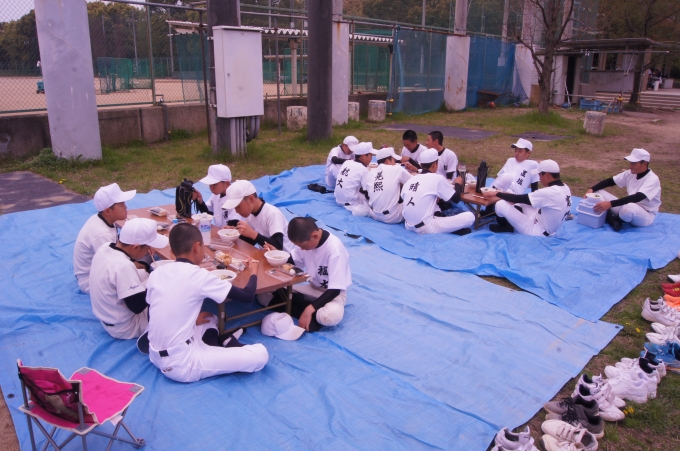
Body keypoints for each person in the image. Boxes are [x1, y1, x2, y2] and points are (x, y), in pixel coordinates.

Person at [145, 223, 268, 383]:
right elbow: (247, 296)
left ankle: (215, 347)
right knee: (260, 355)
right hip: (182, 363)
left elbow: (155, 311)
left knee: (210, 319)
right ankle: (225, 344)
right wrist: (253, 272)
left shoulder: (158, 272)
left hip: (155, 353)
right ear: (197, 247)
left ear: (172, 250)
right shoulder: (199, 276)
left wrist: (193, 319)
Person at [89, 218, 168, 340]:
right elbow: (137, 306)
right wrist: (158, 279)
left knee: (143, 274)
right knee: (169, 295)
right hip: (126, 327)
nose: (148, 251)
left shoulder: (105, 248)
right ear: (135, 247)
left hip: (107, 318)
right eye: (147, 248)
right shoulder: (123, 266)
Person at [286, 217, 351, 332]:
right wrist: (277, 257)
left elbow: (335, 289)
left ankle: (302, 308)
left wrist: (309, 309)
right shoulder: (306, 240)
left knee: (329, 317)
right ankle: (311, 313)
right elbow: (292, 260)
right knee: (270, 293)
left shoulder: (334, 249)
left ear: (315, 236)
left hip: (332, 294)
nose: (302, 249)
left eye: (303, 246)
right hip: (312, 288)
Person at [74, 183, 136, 294]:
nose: (126, 207)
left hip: (99, 271)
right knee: (143, 277)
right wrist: (143, 266)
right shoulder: (102, 235)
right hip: (90, 282)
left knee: (142, 256)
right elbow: (116, 267)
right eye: (122, 205)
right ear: (107, 211)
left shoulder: (102, 219)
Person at [484, 159, 572, 236]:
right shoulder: (565, 187)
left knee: (500, 204)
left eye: (540, 175)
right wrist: (510, 197)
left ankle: (504, 226)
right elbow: (522, 199)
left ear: (547, 175)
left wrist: (497, 193)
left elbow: (518, 198)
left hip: (537, 231)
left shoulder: (549, 193)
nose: (539, 178)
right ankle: (512, 220)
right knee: (520, 202)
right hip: (546, 225)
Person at [400, 148, 475, 235]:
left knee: (433, 202)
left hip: (408, 225)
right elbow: (456, 199)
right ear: (434, 164)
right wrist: (458, 184)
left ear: (421, 164)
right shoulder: (437, 178)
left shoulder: (411, 179)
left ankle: (446, 225)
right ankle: (451, 229)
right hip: (426, 227)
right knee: (470, 217)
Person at [585, 148, 661, 231]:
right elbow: (610, 181)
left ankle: (613, 220)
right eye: (630, 163)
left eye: (634, 163)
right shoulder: (631, 173)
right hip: (627, 207)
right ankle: (615, 221)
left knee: (630, 207)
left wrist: (610, 204)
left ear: (645, 164)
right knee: (597, 192)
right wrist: (591, 189)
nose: (630, 166)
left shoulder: (652, 179)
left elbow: (637, 197)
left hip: (645, 215)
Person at [221, 180, 294, 253]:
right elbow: (252, 241)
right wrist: (235, 233)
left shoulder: (272, 214)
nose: (236, 211)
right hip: (267, 256)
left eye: (238, 207)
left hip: (286, 258)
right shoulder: (251, 215)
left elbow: (278, 246)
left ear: (251, 199)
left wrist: (253, 234)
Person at [361, 147, 412, 224]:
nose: (395, 163)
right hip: (392, 217)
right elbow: (413, 182)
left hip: (374, 214)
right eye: (394, 160)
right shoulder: (396, 169)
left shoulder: (371, 173)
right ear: (387, 161)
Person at [334, 142, 377, 216]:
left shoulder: (347, 162)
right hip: (351, 204)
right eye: (370, 155)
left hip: (338, 200)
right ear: (363, 156)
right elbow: (367, 193)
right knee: (374, 201)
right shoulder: (363, 170)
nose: (372, 158)